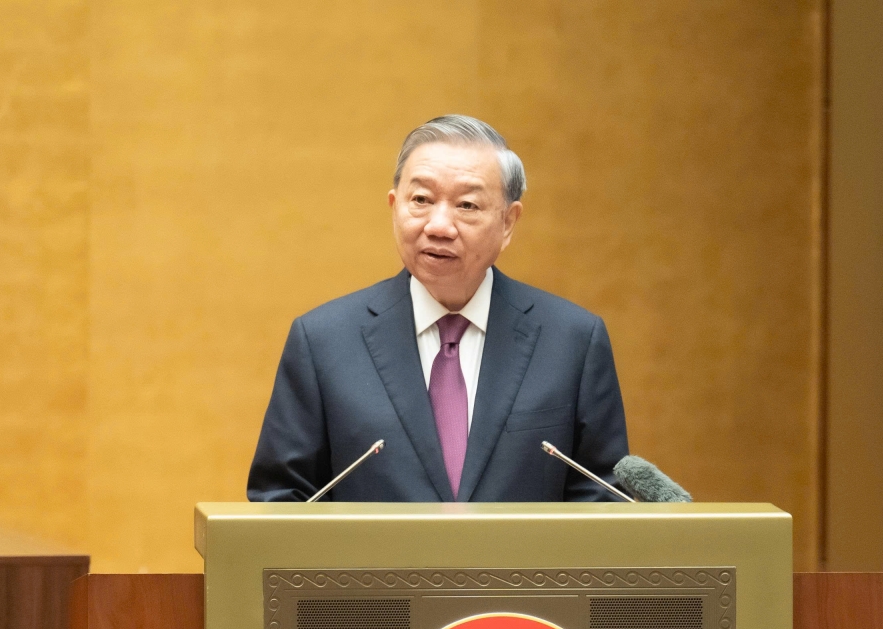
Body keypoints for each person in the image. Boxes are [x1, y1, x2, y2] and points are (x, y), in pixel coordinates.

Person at [247, 115, 628, 502]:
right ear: (395, 206)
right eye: (421, 200)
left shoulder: (572, 341)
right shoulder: (323, 341)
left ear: (509, 222)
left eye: (467, 205)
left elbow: (602, 501)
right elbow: (282, 500)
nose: (439, 225)